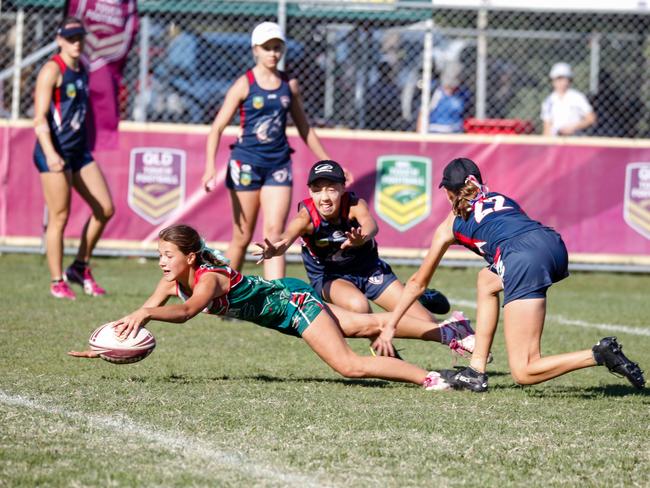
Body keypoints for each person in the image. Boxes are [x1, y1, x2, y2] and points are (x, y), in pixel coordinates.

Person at [68, 224, 453, 391]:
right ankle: (451, 332)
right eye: (159, 256)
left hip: (292, 302)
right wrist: (106, 344)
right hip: (283, 307)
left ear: (189, 256)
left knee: (348, 365)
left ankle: (432, 379)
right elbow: (145, 310)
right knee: (361, 325)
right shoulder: (173, 279)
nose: (163, 262)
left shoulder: (209, 279)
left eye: (168, 255)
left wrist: (148, 314)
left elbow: (183, 314)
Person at [378, 157, 645, 392]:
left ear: (449, 193)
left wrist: (390, 325)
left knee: (524, 371)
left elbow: (417, 283)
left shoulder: (450, 224)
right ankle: (476, 371)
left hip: (522, 258)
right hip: (552, 243)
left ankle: (599, 354)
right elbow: (517, 234)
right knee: (487, 280)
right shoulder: (502, 199)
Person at [254, 160, 480, 359]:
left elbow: (372, 225)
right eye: (317, 190)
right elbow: (286, 237)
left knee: (427, 324)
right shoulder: (306, 217)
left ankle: (421, 299)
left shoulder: (353, 205)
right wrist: (276, 248)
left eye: (331, 189)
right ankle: (381, 349)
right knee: (358, 306)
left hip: (368, 270)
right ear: (310, 192)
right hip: (330, 277)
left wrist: (361, 237)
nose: (324, 197)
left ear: (343, 189)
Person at [202, 21, 338, 281]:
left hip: (278, 165)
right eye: (267, 48)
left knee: (275, 233)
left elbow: (305, 129)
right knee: (241, 236)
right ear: (255, 50)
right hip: (246, 165)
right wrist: (210, 166)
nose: (273, 53)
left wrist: (330, 163)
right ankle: (224, 295)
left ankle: (277, 303)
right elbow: (217, 127)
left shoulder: (289, 85)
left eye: (277, 47)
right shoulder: (244, 84)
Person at [33, 17, 114, 300]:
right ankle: (57, 280)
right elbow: (40, 118)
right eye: (70, 38)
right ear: (59, 40)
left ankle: (79, 266)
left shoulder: (83, 68)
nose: (77, 42)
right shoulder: (52, 70)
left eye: (80, 37)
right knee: (60, 217)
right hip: (53, 152)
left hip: (78, 151)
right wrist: (52, 154)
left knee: (105, 208)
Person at [541, 62, 596, 136]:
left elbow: (591, 118)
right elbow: (547, 128)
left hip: (575, 140)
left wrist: (573, 127)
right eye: (558, 79)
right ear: (553, 81)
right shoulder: (548, 101)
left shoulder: (577, 97)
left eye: (565, 79)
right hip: (555, 142)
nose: (562, 82)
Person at [416, 63, 471, 134]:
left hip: (455, 133)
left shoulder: (462, 94)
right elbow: (423, 113)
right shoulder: (435, 92)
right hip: (436, 132)